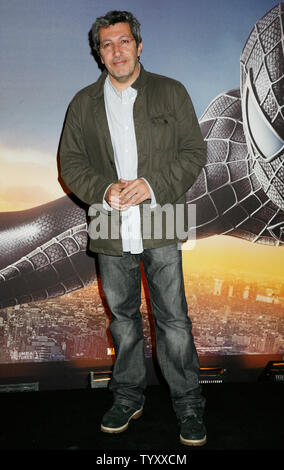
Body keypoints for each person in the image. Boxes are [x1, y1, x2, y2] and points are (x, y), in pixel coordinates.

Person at [59, 10, 207, 446]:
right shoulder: (82, 103)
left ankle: (189, 406)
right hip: (107, 219)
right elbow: (70, 163)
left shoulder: (172, 91)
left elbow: (194, 152)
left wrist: (152, 185)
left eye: (124, 41)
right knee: (122, 321)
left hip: (163, 214)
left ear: (139, 46)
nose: (116, 51)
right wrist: (104, 191)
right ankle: (127, 396)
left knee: (174, 322)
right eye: (107, 45)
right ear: (98, 54)